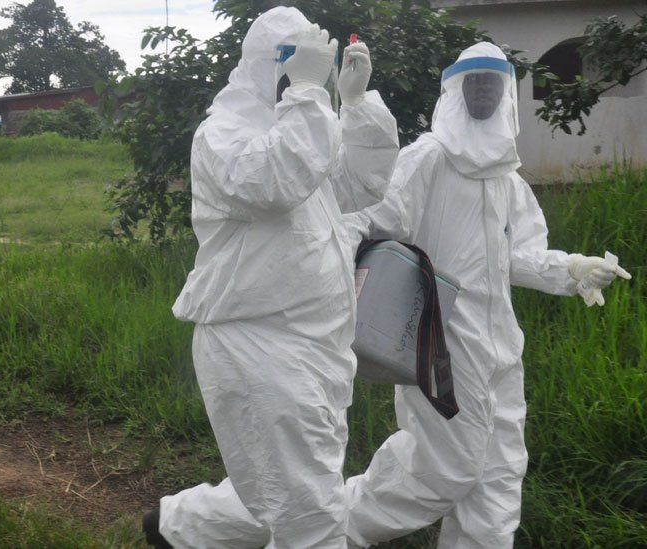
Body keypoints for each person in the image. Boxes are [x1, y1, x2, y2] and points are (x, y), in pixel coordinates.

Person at [340, 42, 632, 548]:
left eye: (491, 83)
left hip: (500, 348)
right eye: (472, 82)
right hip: (439, 343)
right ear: (455, 89)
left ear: (506, 93)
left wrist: (572, 269)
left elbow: (515, 256)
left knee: (498, 475)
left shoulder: (506, 178)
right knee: (439, 471)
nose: (481, 92)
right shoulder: (427, 159)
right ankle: (317, 528)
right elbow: (372, 221)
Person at [143, 7, 399, 548]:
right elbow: (274, 181)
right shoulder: (223, 135)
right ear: (265, 64)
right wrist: (308, 93)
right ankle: (178, 528)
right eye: (292, 61)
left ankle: (175, 529)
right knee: (311, 515)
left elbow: (361, 185)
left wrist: (353, 105)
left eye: (309, 63)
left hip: (318, 344)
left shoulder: (303, 128)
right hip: (256, 343)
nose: (303, 74)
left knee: (289, 495)